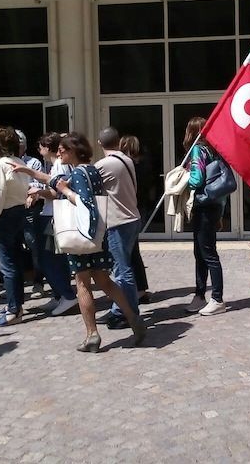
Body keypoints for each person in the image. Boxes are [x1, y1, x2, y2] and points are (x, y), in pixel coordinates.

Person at [15, 132, 146, 352]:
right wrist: (30, 173)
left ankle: (92, 335)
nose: (58, 153)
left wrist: (65, 190)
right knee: (105, 281)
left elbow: (82, 202)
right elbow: (54, 182)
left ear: (72, 151)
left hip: (81, 235)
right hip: (96, 235)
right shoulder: (91, 170)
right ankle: (134, 320)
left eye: (62, 150)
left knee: (82, 284)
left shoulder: (78, 174)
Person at [94, 127, 142, 329]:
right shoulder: (126, 160)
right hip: (131, 218)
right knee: (123, 267)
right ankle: (118, 309)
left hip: (118, 221)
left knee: (122, 271)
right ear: (119, 141)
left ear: (99, 143)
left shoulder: (103, 165)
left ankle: (129, 312)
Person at [0, 126, 31, 327]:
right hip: (19, 212)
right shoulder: (19, 162)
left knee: (8, 264)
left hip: (6, 215)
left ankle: (14, 309)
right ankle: (16, 303)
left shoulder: (0, 165)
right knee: (15, 262)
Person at [183, 116, 229, 316]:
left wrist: (180, 178)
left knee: (207, 254)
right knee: (201, 252)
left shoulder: (198, 150)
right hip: (214, 206)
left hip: (204, 206)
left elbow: (197, 178)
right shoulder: (214, 151)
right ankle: (200, 295)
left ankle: (217, 298)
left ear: (191, 132)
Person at [31, 132, 77, 315]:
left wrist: (37, 192)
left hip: (53, 215)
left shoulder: (58, 165)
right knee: (54, 258)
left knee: (49, 258)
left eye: (41, 146)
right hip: (53, 213)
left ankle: (66, 294)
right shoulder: (57, 164)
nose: (39, 149)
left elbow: (57, 191)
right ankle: (59, 295)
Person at [119, 134, 151, 303]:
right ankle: (140, 288)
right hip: (139, 207)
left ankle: (137, 289)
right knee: (134, 251)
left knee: (129, 253)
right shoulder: (142, 165)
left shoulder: (127, 166)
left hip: (130, 208)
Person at [16, 129, 46, 298]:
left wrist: (29, 192)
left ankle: (38, 282)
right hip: (13, 208)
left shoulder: (33, 163)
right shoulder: (5, 162)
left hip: (29, 209)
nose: (18, 148)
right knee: (14, 246)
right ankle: (15, 284)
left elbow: (38, 184)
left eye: (20, 145)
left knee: (33, 244)